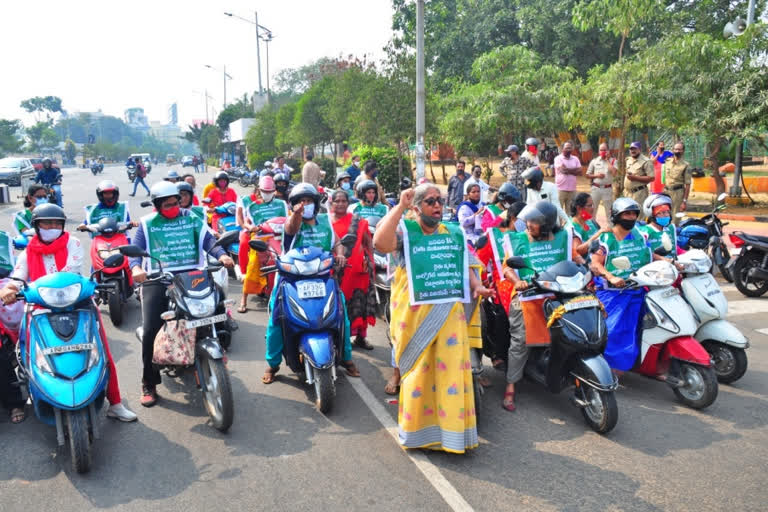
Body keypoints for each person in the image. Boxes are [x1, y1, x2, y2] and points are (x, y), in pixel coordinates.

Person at [373, 184, 493, 453]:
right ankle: (418, 435)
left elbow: (465, 263)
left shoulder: (452, 232)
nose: (437, 205)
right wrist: (399, 207)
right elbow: (380, 243)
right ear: (416, 208)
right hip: (413, 319)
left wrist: (476, 285)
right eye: (430, 201)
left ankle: (452, 437)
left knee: (451, 375)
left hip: (448, 316)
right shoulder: (407, 230)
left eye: (440, 200)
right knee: (418, 376)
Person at [0, 204, 137, 422]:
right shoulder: (28, 252)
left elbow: (71, 271)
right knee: (27, 347)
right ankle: (34, 385)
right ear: (37, 226)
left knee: (101, 350)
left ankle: (115, 403)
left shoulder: (72, 243)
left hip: (77, 302)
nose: (52, 227)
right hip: (39, 307)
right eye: (46, 223)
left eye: (56, 223)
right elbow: (18, 275)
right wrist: (10, 288)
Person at [129, 183, 234, 406]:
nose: (174, 207)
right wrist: (137, 268)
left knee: (217, 310)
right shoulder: (147, 224)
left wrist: (222, 255)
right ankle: (149, 382)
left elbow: (209, 242)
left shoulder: (192, 218)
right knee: (150, 331)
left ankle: (210, 353)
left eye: (176, 203)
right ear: (157, 206)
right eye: (167, 205)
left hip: (193, 276)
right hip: (158, 279)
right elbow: (135, 251)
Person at [261, 183, 360, 384]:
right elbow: (290, 229)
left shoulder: (325, 221)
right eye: (300, 201)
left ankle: (347, 358)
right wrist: (297, 214)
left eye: (308, 201)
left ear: (316, 204)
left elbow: (338, 242)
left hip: (323, 278)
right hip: (291, 280)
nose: (304, 205)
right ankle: (272, 364)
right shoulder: (292, 222)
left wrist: (340, 255)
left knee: (342, 316)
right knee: (276, 320)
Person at [499, 201, 584, 412]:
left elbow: (573, 257)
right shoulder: (518, 240)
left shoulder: (562, 239)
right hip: (526, 296)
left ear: (546, 224)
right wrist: (516, 281)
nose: (529, 224)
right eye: (528, 220)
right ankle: (511, 385)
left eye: (535, 221)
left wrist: (584, 261)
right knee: (520, 340)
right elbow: (507, 267)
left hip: (557, 293)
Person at [590, 198, 656, 372]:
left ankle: (632, 364)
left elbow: (651, 254)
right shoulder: (606, 238)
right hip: (613, 293)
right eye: (627, 213)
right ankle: (607, 368)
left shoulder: (641, 235)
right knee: (612, 332)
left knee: (637, 329)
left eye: (634, 214)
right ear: (617, 216)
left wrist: (670, 262)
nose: (631, 217)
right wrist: (610, 276)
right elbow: (595, 264)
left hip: (637, 289)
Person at [329, 190, 376, 350]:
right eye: (337, 201)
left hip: (358, 271)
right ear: (332, 203)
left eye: (344, 201)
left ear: (348, 203)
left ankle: (361, 338)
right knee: (337, 305)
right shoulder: (325, 223)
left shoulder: (358, 221)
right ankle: (338, 338)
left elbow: (368, 242)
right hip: (335, 272)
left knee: (360, 304)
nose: (341, 204)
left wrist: (370, 262)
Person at [237, 176, 289, 312]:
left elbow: (288, 218)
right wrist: (250, 228)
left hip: (279, 237)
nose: (268, 193)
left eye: (270, 191)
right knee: (253, 264)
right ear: (259, 190)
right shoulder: (252, 206)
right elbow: (246, 221)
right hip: (261, 237)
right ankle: (244, 298)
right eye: (265, 191)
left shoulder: (281, 204)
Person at [585, 142, 618, 222]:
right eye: (601, 150)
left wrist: (607, 160)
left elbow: (614, 173)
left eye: (604, 150)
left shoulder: (613, 161)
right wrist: (596, 176)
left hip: (607, 189)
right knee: (591, 210)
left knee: (609, 211)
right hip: (596, 188)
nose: (603, 152)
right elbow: (587, 175)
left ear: (608, 151)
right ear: (599, 151)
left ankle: (610, 229)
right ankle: (591, 229)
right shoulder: (594, 161)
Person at [570, 192, 607, 257]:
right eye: (589, 206)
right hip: (583, 265)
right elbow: (577, 251)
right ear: (579, 208)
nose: (593, 208)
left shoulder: (591, 223)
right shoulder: (571, 227)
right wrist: (598, 234)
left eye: (592, 205)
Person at [662, 142, 691, 222]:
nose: (677, 151)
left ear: (683, 151)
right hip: (666, 193)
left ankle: (674, 233)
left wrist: (684, 201)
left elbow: (687, 185)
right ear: (673, 150)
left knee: (675, 219)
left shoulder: (686, 165)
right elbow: (664, 179)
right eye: (676, 149)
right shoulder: (667, 162)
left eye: (680, 149)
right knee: (664, 216)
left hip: (678, 194)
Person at [554, 141, 582, 214]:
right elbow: (563, 170)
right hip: (560, 189)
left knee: (570, 212)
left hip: (572, 190)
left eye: (570, 148)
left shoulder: (575, 159)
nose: (568, 150)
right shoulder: (558, 158)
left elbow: (580, 172)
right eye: (566, 148)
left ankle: (569, 225)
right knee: (558, 211)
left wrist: (568, 170)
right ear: (562, 149)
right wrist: (574, 170)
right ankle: (559, 225)